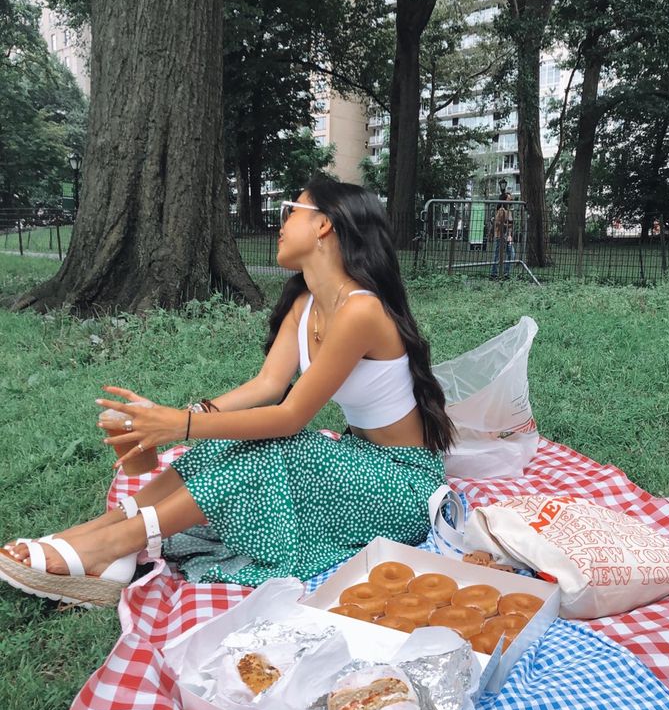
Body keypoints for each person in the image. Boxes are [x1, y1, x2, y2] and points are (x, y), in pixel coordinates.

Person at [0, 175, 453, 607]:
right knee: (232, 436)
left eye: (290, 210)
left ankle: (116, 544)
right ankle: (103, 533)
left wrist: (182, 426)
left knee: (278, 444)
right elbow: (266, 386)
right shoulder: (306, 303)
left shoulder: (361, 311)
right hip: (360, 463)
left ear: (323, 224)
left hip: (402, 486)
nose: (280, 224)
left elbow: (290, 416)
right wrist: (176, 416)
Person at [490, 189, 516, 279]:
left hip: (506, 236)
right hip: (499, 235)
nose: (511, 200)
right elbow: (497, 223)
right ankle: (494, 273)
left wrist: (509, 235)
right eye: (509, 199)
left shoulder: (509, 210)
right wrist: (506, 225)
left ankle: (505, 273)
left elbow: (510, 225)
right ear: (505, 200)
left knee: (511, 254)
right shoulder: (502, 210)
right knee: (497, 255)